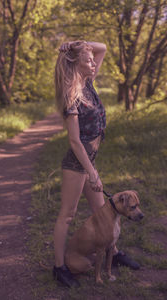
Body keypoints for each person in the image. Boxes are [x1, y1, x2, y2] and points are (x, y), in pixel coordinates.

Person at [53, 40, 140, 288]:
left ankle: (113, 251)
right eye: (88, 60)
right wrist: (91, 173)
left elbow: (101, 47)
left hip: (89, 161)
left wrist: (77, 44)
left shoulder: (88, 82)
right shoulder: (72, 94)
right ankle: (59, 268)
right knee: (67, 216)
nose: (93, 63)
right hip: (77, 164)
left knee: (105, 213)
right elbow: (74, 140)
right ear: (75, 64)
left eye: (93, 60)